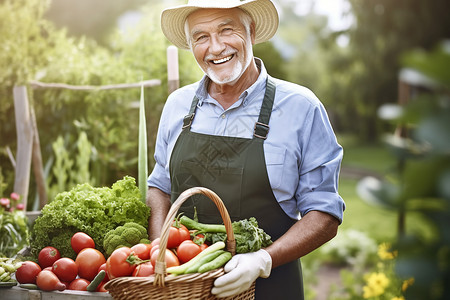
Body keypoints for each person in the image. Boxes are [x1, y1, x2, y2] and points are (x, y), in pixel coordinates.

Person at [147, 0, 345, 299]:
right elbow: (159, 188)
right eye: (201, 37)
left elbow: (324, 213)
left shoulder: (300, 108)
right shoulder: (177, 105)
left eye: (226, 30)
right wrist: (159, 254)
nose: (215, 47)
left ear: (251, 33)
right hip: (184, 287)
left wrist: (263, 260)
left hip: (272, 286)